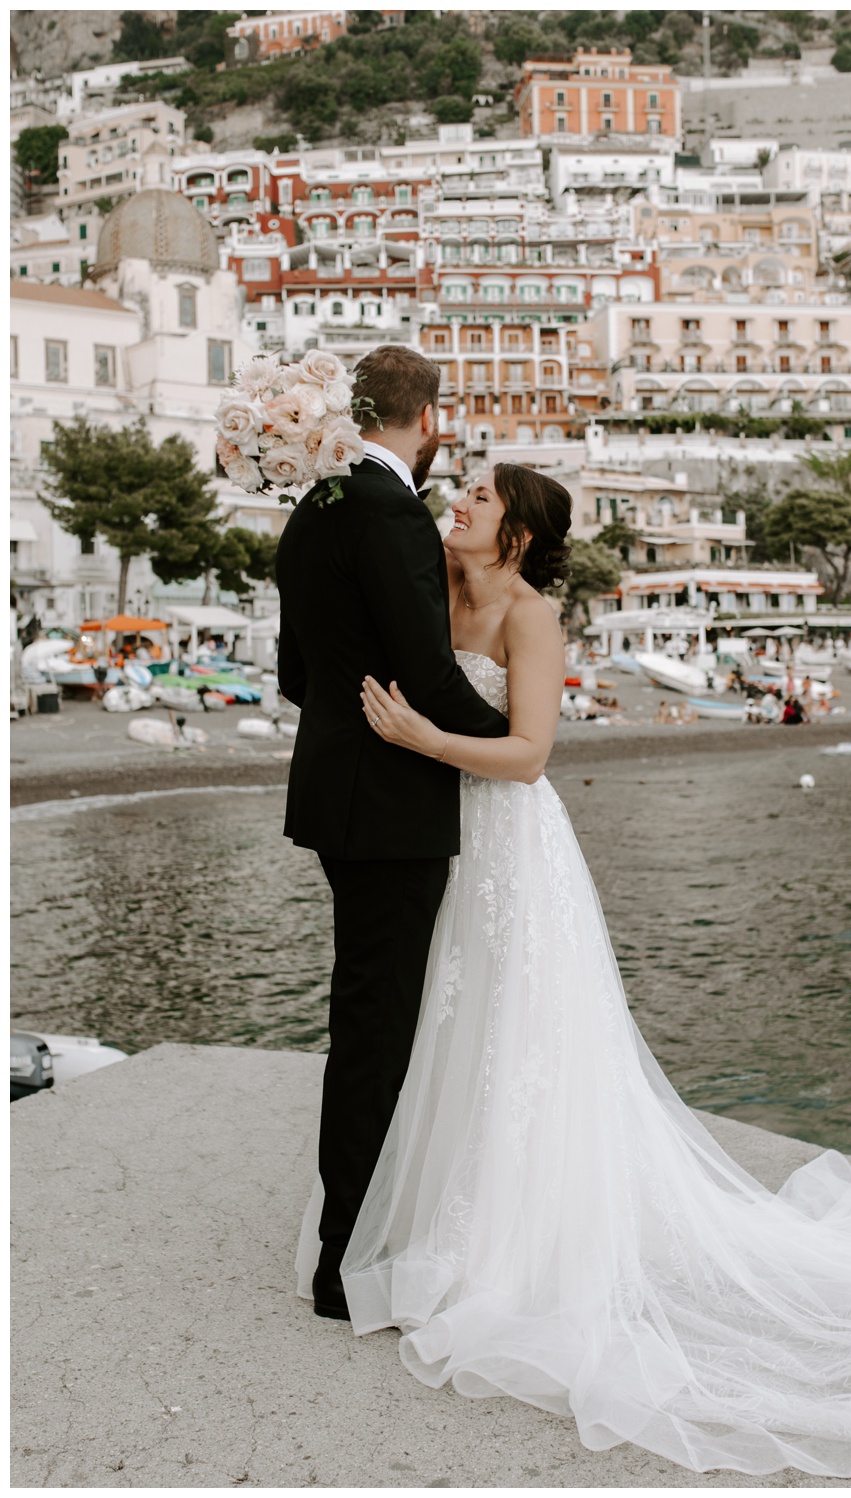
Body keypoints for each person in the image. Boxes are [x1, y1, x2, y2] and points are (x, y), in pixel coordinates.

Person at [308, 463, 851, 1475]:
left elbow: (531, 754)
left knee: (516, 1033)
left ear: (521, 535)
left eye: (481, 499)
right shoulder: (436, 588)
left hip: (506, 838)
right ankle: (423, 1216)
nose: (459, 503)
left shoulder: (532, 618)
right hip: (435, 838)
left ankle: (514, 1245)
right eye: (460, 491)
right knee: (446, 1026)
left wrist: (418, 735)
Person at [276, 345, 515, 1327]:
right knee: (381, 1031)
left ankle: (354, 1234)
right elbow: (426, 672)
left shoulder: (314, 509)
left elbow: (296, 672)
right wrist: (515, 743)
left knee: (363, 1023)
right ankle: (349, 1260)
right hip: (394, 803)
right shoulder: (393, 516)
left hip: (338, 793)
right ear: (426, 420)